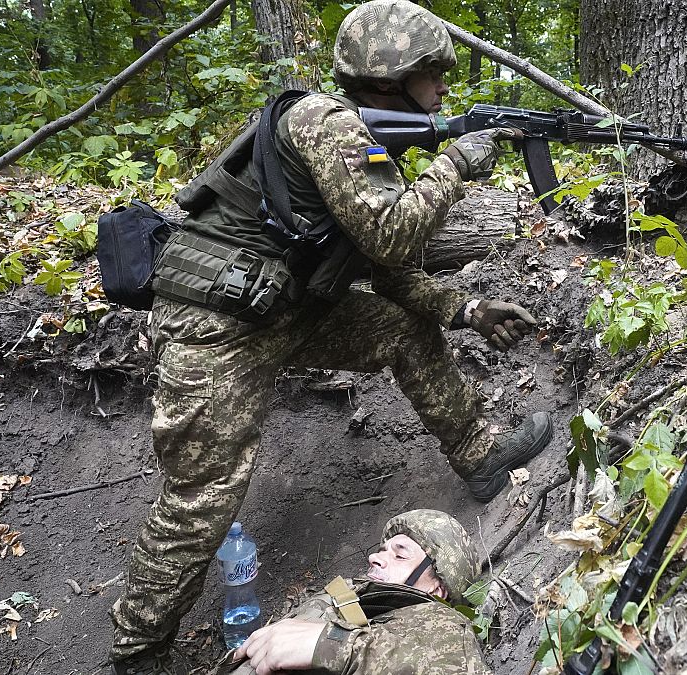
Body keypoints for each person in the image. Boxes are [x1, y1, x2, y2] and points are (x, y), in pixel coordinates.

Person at [109, 1, 553, 672]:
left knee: (402, 328)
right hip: (215, 332)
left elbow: (396, 275)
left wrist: (467, 309)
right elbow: (394, 232)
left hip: (283, 311)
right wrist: (456, 162)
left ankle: (481, 457)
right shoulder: (326, 122)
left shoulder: (368, 152)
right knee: (201, 500)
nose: (443, 90)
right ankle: (137, 647)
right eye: (434, 75)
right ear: (390, 77)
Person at [222, 510, 490, 675]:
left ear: (437, 588)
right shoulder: (349, 594)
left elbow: (449, 665)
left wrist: (332, 644)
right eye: (383, 550)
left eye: (399, 555)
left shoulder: (440, 625)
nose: (375, 557)